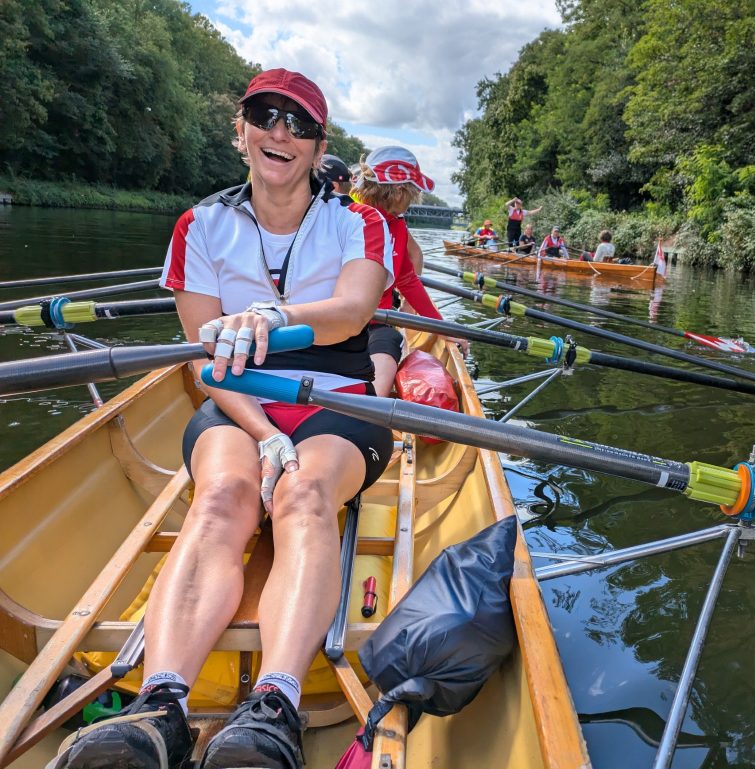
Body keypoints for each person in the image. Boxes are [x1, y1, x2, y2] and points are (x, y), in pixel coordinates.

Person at [57, 68, 396, 769]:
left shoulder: (359, 222)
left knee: (303, 496)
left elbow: (357, 309)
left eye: (299, 124)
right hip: (238, 404)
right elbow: (204, 365)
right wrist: (266, 433)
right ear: (239, 129)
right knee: (220, 499)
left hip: (339, 402)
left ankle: (275, 703)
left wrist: (280, 316)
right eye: (266, 115)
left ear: (317, 145)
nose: (281, 132)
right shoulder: (200, 225)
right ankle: (161, 707)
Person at [353, 146, 467, 397]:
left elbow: (407, 280)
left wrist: (444, 329)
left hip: (378, 324)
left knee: (391, 342)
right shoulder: (348, 218)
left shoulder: (398, 226)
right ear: (398, 190)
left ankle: (372, 403)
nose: (413, 200)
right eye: (412, 193)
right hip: (341, 320)